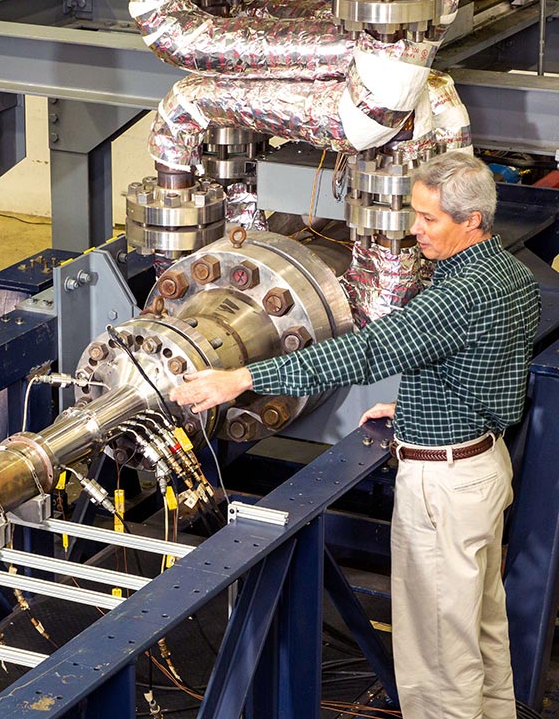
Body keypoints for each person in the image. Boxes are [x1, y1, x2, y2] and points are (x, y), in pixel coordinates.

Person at [170, 151, 540, 719]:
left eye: (428, 219)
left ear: (472, 221)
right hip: (483, 469)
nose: (414, 230)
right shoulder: (511, 274)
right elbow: (490, 366)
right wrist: (419, 400)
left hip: (443, 489)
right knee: (480, 635)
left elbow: (362, 352)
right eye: (413, 214)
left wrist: (242, 377)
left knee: (438, 659)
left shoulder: (456, 296)